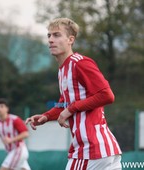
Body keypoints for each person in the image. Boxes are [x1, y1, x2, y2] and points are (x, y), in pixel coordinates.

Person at [26, 18, 122, 170]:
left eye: (56, 35)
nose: (51, 40)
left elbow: (106, 95)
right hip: (102, 150)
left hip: (91, 150)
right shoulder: (63, 70)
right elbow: (65, 103)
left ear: (71, 39)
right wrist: (46, 116)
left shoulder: (80, 63)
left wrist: (71, 109)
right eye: (49, 36)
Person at [0, 98, 31, 170]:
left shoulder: (15, 119)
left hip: (19, 150)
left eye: (2, 106)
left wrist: (11, 140)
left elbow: (25, 133)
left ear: (7, 108)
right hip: (10, 151)